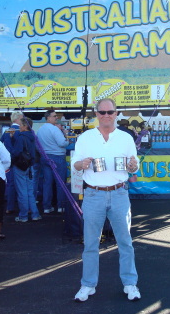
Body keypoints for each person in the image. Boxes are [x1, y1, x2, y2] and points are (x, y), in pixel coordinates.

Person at [71, 98, 141, 302]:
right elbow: (74, 164)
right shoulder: (85, 138)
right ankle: (87, 285)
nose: (106, 115)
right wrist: (81, 164)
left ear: (116, 113)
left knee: (125, 242)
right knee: (90, 244)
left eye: (110, 112)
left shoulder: (126, 138)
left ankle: (130, 283)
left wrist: (133, 167)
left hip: (119, 193)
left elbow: (134, 168)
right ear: (96, 114)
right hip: (93, 194)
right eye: (102, 112)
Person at [37, 110, 69, 214]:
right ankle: (61, 206)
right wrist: (67, 137)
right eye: (54, 116)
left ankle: (47, 207)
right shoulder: (55, 129)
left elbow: (37, 145)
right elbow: (62, 143)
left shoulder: (40, 129)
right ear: (48, 117)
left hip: (45, 157)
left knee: (47, 183)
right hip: (58, 157)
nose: (56, 118)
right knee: (60, 183)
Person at [11, 117, 41, 222]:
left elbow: (17, 152)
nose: (19, 127)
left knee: (22, 191)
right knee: (29, 191)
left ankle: (23, 215)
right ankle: (35, 214)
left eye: (20, 125)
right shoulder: (33, 136)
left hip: (20, 166)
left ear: (24, 126)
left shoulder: (21, 137)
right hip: (30, 165)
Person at [0, 111, 23, 214]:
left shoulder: (7, 131)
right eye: (22, 118)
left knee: (10, 184)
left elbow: (1, 143)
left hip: (8, 161)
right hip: (20, 161)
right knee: (22, 185)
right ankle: (23, 208)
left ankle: (10, 206)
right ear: (17, 119)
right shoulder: (21, 130)